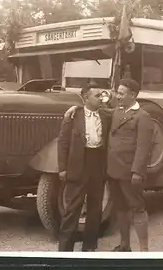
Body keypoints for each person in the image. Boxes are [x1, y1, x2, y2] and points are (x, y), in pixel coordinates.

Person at [64, 78, 154, 252]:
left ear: (133, 95)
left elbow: (144, 148)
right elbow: (92, 112)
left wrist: (137, 171)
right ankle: (125, 245)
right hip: (113, 171)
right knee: (120, 208)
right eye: (117, 92)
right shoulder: (115, 112)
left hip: (130, 173)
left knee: (137, 207)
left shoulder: (143, 116)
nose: (117, 96)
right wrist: (76, 107)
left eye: (121, 93)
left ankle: (144, 251)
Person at [57, 83, 112, 252]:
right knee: (72, 209)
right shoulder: (73, 116)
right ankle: (65, 251)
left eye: (101, 96)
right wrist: (62, 168)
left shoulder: (106, 115)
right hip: (78, 165)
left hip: (98, 163)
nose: (101, 99)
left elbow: (119, 109)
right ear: (86, 98)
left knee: (95, 210)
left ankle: (89, 249)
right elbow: (63, 142)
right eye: (97, 96)